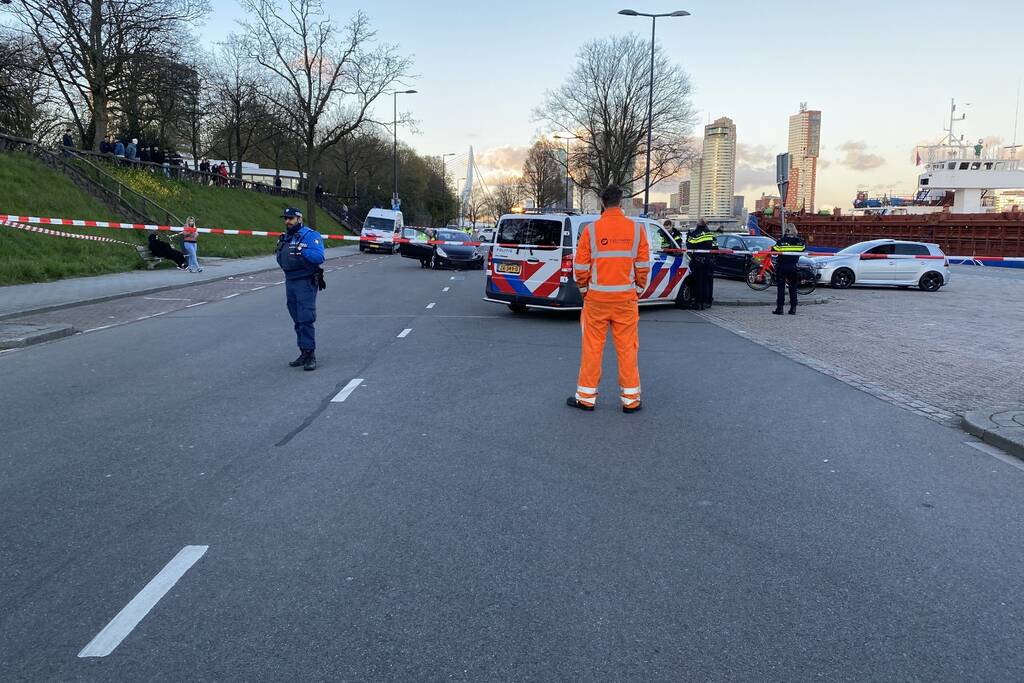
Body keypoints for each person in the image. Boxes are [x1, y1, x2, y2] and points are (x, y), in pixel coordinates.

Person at [567, 185, 650, 413]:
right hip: (625, 300)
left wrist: (584, 290)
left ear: (602, 203)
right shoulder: (636, 230)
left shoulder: (591, 231)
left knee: (592, 349)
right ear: (620, 202)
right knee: (628, 349)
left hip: (596, 300)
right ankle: (631, 401)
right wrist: (637, 290)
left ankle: (586, 398)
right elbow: (643, 266)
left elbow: (580, 268)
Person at [276, 208, 325, 371]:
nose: (287, 221)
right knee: (297, 318)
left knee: (305, 318)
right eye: (286, 218)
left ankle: (310, 354)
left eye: (291, 218)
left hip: (305, 281)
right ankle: (303, 351)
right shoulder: (286, 237)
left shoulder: (310, 236)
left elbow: (319, 257)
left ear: (299, 219)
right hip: (290, 280)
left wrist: (302, 251)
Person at [771, 224, 807, 315]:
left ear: (786, 231)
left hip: (782, 267)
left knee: (781, 288)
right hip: (793, 267)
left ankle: (780, 309)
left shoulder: (781, 241)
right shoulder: (800, 242)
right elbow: (803, 249)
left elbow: (774, 251)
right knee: (793, 288)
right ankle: (793, 309)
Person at [686, 218, 717, 309]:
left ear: (698, 224)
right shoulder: (711, 234)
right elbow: (716, 248)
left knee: (698, 282)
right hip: (709, 261)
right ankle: (706, 302)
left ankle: (698, 303)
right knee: (707, 282)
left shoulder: (694, 234)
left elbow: (689, 247)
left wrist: (688, 237)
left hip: (698, 261)